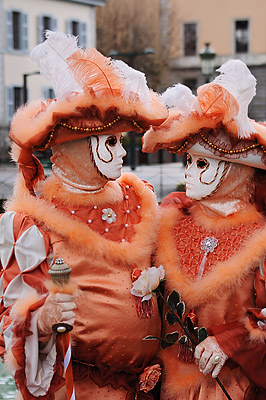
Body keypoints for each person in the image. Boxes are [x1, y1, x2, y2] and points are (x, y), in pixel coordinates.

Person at [0, 31, 168, 400]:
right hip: (83, 388)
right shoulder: (33, 221)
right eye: (112, 142)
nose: (124, 153)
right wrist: (42, 320)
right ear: (74, 146)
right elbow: (9, 316)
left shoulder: (141, 198)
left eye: (122, 141)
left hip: (147, 386)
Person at [142, 60, 266, 399]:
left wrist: (231, 340)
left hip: (231, 387)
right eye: (188, 161)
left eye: (202, 163)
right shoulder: (170, 218)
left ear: (236, 170)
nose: (190, 172)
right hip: (166, 383)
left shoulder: (261, 235)